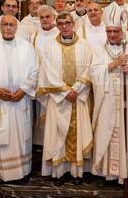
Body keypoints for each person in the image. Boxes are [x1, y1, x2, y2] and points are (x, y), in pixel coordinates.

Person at [0, 15, 39, 183]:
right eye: (4, 24)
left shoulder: (27, 47)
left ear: (16, 27)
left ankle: (22, 171)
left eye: (11, 25)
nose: (7, 28)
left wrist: (23, 90)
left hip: (21, 101)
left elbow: (35, 71)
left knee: (21, 136)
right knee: (1, 137)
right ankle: (0, 173)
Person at [37, 12, 93, 186]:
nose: (64, 26)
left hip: (79, 97)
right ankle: (60, 172)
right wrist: (64, 92)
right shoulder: (50, 47)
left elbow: (90, 69)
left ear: (73, 24)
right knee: (58, 134)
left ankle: (77, 172)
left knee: (78, 133)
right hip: (58, 100)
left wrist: (76, 89)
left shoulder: (85, 46)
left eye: (67, 23)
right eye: (60, 23)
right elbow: (47, 73)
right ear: (57, 25)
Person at [89, 18, 128, 184]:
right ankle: (106, 170)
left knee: (127, 130)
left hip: (127, 102)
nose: (112, 35)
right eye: (109, 31)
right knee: (106, 131)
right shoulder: (98, 50)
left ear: (122, 32)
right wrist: (113, 64)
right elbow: (93, 72)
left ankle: (126, 168)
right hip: (106, 101)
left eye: (115, 31)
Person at [30, 5, 59, 146]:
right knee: (40, 110)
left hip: (56, 80)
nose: (45, 20)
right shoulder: (34, 35)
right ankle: (42, 143)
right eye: (42, 17)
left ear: (53, 17)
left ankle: (55, 142)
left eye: (47, 17)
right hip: (39, 79)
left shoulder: (59, 33)